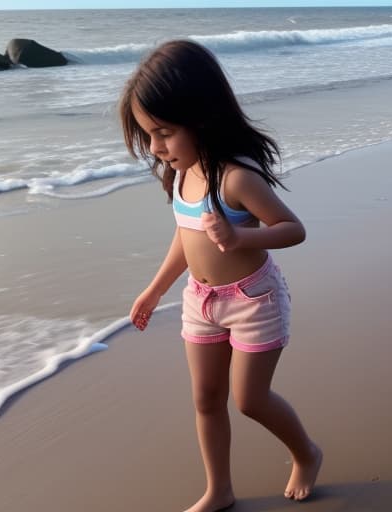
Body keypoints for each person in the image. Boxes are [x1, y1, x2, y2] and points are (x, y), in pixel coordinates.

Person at [119, 39, 322, 512]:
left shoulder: (235, 178)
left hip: (254, 301)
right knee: (206, 399)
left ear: (202, 116)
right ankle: (219, 490)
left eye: (164, 132)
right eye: (149, 134)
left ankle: (306, 453)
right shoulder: (182, 173)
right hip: (200, 301)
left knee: (249, 400)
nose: (156, 147)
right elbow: (186, 240)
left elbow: (293, 230)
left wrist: (240, 239)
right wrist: (154, 291)